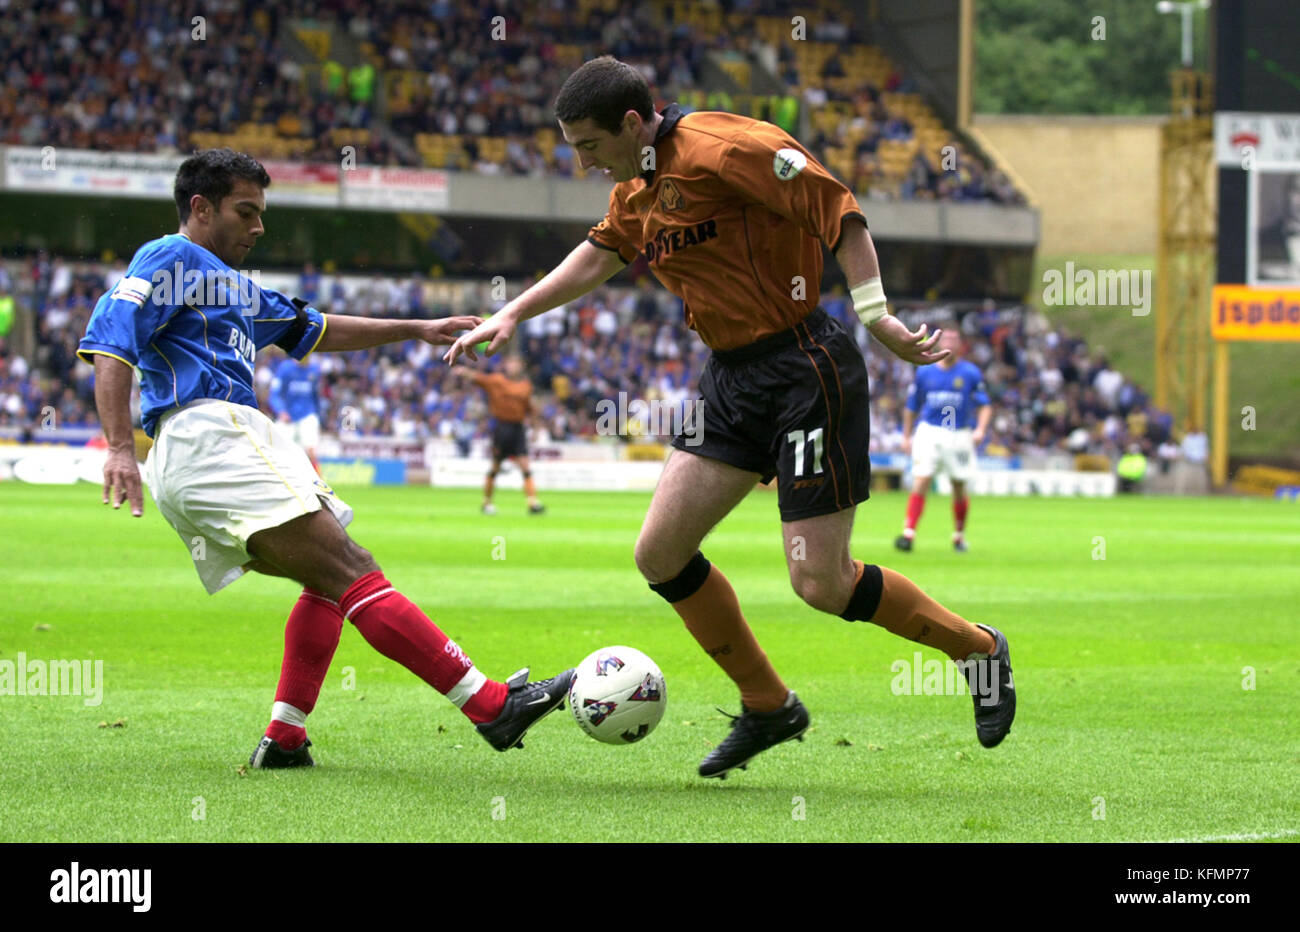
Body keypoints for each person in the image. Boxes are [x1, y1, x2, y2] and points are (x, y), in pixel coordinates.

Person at [444, 58, 1016, 779]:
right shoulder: (637, 189)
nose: (582, 162)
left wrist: (878, 315)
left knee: (821, 584)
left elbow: (838, 208)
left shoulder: (727, 147)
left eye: (587, 146)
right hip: (732, 379)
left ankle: (978, 651)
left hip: (807, 368)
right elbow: (597, 258)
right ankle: (769, 705)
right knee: (660, 553)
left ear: (630, 123)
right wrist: (511, 313)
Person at [79, 149, 573, 769]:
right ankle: (491, 705)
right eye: (246, 212)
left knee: (327, 576)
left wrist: (416, 328)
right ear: (199, 208)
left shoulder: (235, 288)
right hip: (211, 432)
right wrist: (119, 449)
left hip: (212, 445)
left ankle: (284, 738)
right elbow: (110, 343)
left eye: (263, 212)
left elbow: (314, 328)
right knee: (352, 567)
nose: (259, 227)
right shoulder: (169, 258)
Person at [894, 329, 992, 553]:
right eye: (946, 339)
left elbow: (984, 404)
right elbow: (912, 406)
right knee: (922, 480)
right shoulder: (924, 371)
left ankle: (958, 536)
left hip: (959, 433)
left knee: (958, 485)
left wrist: (980, 430)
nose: (950, 343)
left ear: (960, 345)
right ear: (938, 343)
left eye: (954, 340)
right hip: (929, 431)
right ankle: (908, 533)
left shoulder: (970, 373)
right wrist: (906, 436)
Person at [453, 354, 545, 514]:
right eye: (511, 363)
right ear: (506, 365)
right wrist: (463, 371)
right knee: (495, 467)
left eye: (516, 364)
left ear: (521, 366)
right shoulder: (496, 381)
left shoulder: (526, 386)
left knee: (525, 465)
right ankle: (487, 502)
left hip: (518, 429)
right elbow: (478, 378)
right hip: (502, 428)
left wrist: (536, 430)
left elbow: (532, 410)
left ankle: (532, 502)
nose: (513, 367)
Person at [267, 353, 324, 472]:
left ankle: (319, 484)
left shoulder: (314, 370)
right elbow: (274, 395)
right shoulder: (285, 368)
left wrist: (319, 418)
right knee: (279, 450)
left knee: (311, 450)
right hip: (288, 417)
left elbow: (315, 396)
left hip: (308, 414)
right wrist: (281, 411)